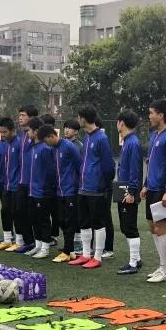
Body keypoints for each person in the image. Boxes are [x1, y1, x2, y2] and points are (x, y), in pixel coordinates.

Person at [69, 106, 115, 270]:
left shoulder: (101, 138)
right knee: (84, 222)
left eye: (79, 117)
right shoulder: (87, 137)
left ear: (83, 118)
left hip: (96, 189)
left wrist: (104, 185)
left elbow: (108, 166)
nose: (78, 120)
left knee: (98, 223)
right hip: (83, 187)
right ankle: (86, 254)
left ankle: (97, 256)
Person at [141, 99, 166, 283]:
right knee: (151, 225)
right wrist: (146, 184)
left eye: (151, 113)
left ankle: (163, 270)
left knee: (160, 227)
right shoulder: (154, 135)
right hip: (152, 187)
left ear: (161, 115)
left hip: (163, 189)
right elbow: (151, 162)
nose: (149, 116)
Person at [114, 109, 143, 274]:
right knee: (125, 226)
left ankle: (133, 263)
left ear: (122, 123)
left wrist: (131, 192)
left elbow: (135, 170)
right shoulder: (127, 141)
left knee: (129, 226)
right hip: (122, 187)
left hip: (127, 189)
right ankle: (136, 259)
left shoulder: (132, 143)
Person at [47, 122, 80, 263]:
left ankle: (68, 250)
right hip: (59, 191)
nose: (46, 144)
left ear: (51, 136)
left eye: (46, 140)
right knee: (61, 220)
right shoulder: (54, 149)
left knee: (70, 221)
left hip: (70, 190)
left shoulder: (70, 147)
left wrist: (76, 185)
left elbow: (79, 166)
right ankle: (70, 250)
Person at [29, 124, 59, 258]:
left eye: (29, 130)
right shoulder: (33, 148)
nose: (27, 133)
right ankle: (38, 245)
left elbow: (50, 172)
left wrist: (46, 188)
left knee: (44, 219)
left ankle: (45, 248)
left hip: (42, 192)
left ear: (36, 131)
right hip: (33, 190)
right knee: (34, 218)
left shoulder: (45, 149)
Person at [12, 112, 39, 254]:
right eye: (19, 115)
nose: (20, 117)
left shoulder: (36, 137)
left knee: (35, 215)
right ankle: (28, 242)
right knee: (20, 212)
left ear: (31, 117)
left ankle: (42, 243)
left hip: (33, 182)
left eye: (23, 115)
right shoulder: (21, 136)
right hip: (21, 181)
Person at [0, 117, 18, 250]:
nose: (2, 135)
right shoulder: (1, 145)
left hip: (17, 185)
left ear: (13, 130)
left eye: (5, 132)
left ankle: (20, 241)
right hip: (4, 183)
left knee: (16, 212)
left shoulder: (19, 144)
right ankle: (8, 239)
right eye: (0, 132)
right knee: (5, 210)